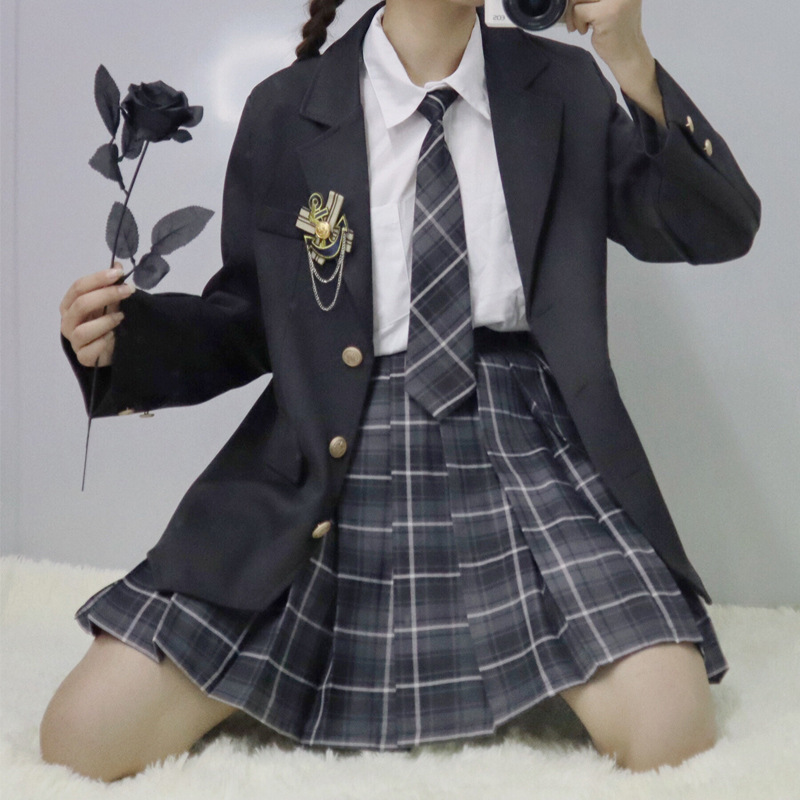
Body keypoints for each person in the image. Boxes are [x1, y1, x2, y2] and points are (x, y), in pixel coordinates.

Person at [46, 0, 760, 782]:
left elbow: (717, 227)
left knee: (671, 731)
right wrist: (124, 340)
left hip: (529, 442)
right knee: (83, 736)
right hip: (329, 445)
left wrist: (631, 62)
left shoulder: (562, 85)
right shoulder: (287, 108)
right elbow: (249, 318)